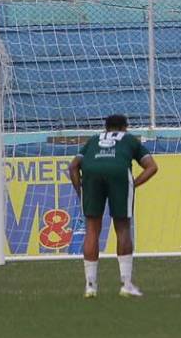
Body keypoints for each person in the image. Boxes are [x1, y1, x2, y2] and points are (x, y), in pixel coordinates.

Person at [68, 114, 158, 298]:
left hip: (91, 174)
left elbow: (73, 166)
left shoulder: (94, 139)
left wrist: (80, 190)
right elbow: (152, 167)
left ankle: (90, 286)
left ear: (106, 128)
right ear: (125, 127)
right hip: (118, 173)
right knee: (122, 228)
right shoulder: (129, 139)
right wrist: (133, 184)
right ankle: (126, 284)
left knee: (92, 229)